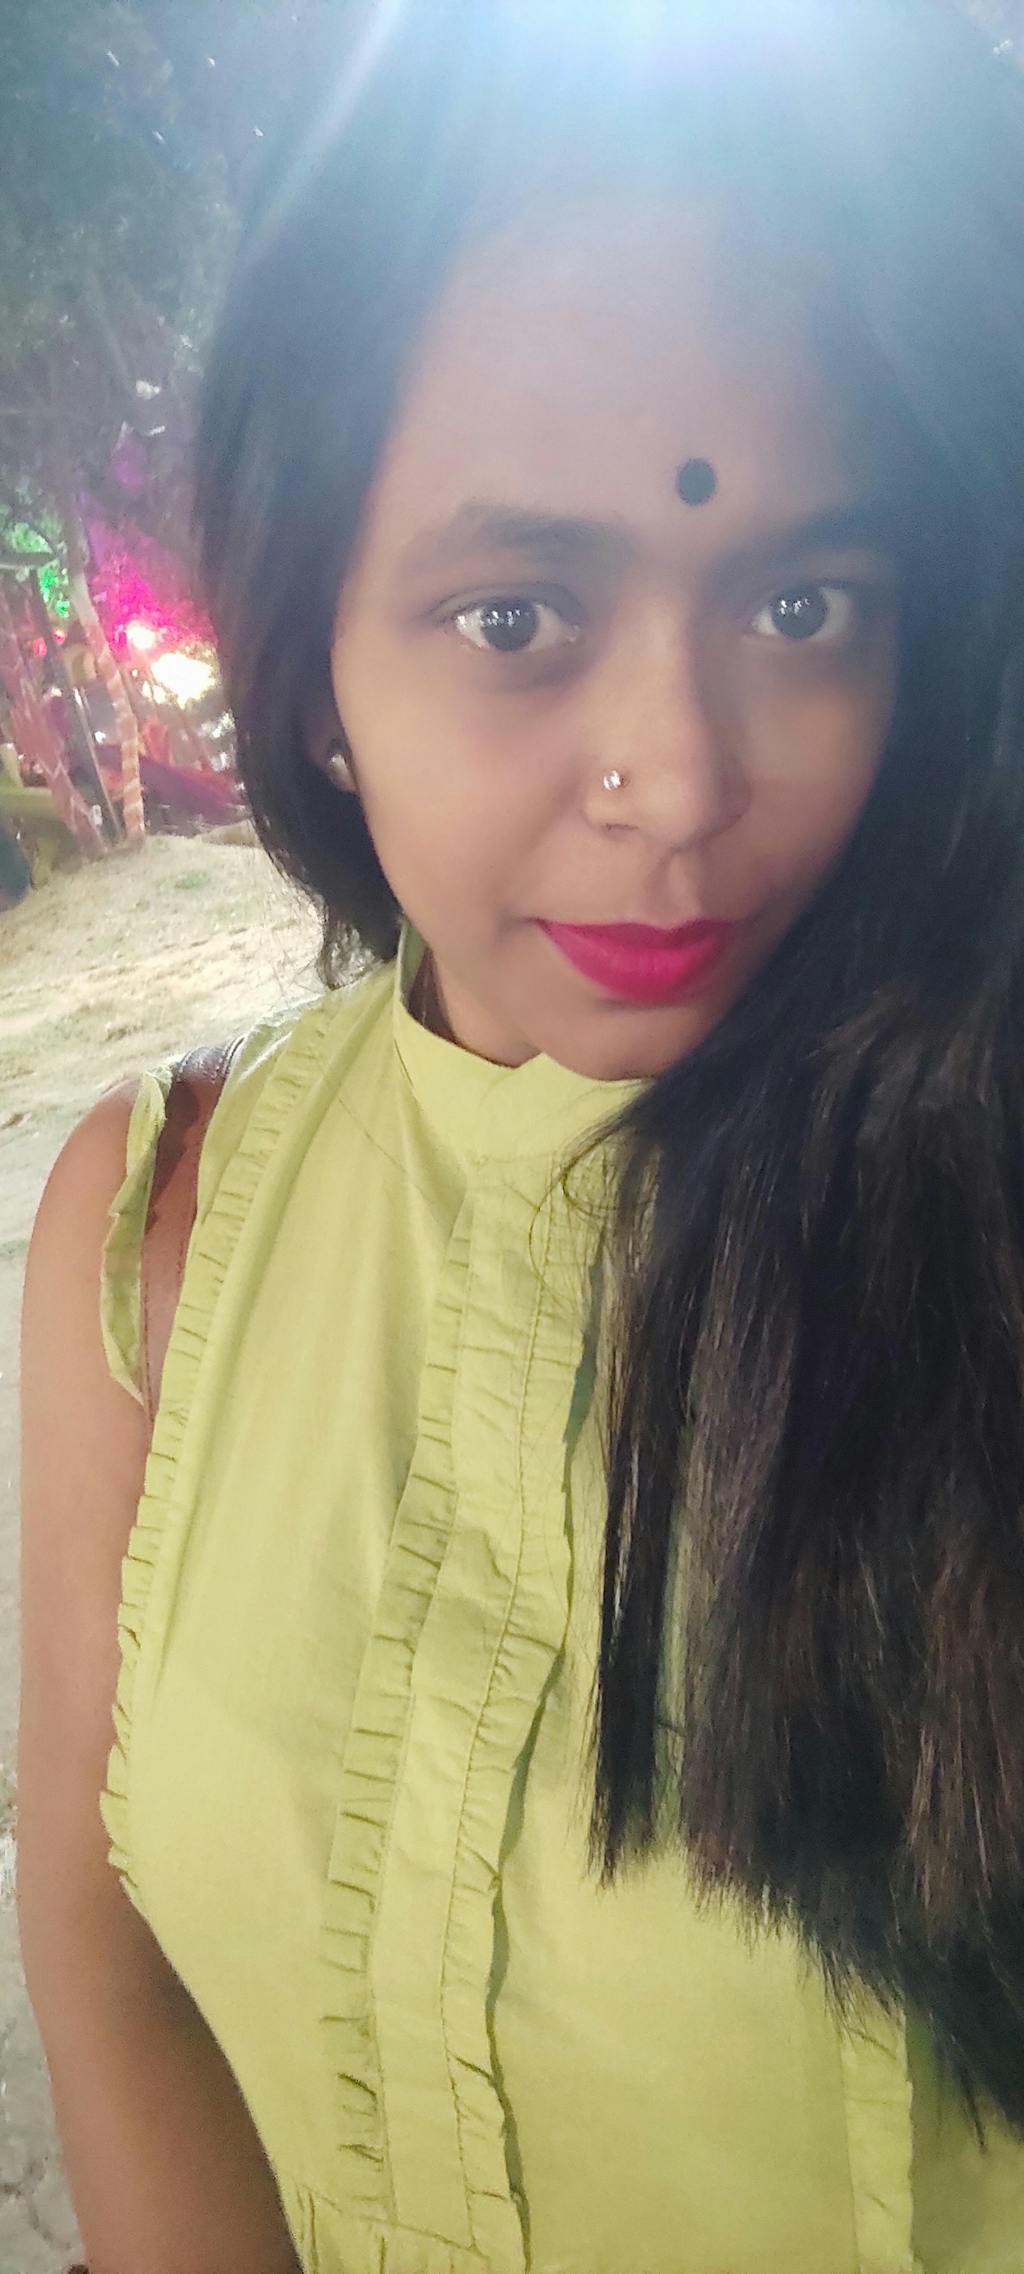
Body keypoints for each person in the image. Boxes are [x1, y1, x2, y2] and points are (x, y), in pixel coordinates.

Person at [18, 5, 1024, 2269]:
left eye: (801, 605)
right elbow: (111, 1959)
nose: (679, 781)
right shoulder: (154, 1238)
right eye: (516, 615)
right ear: (312, 671)